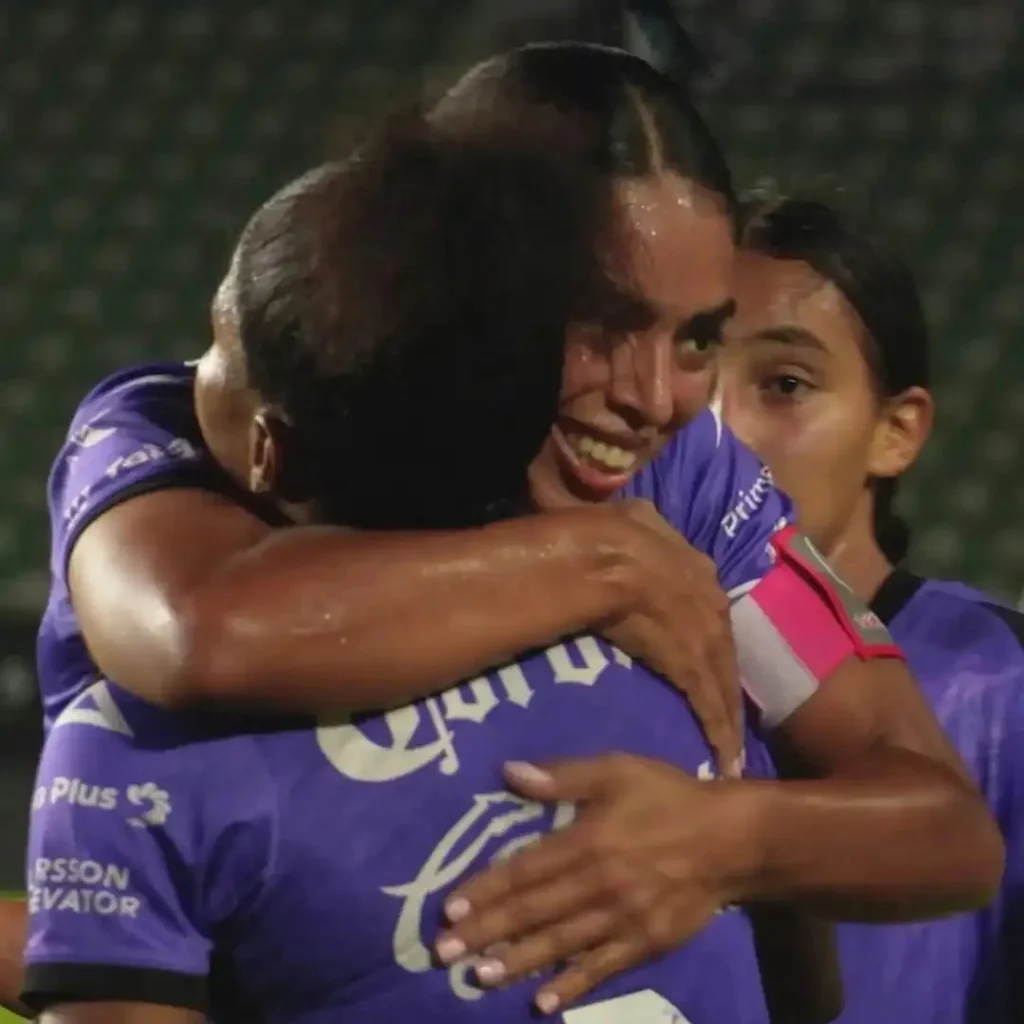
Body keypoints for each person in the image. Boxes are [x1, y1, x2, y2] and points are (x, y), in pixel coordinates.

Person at [18, 44, 1000, 1015]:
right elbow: (205, 634)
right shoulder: (167, 435)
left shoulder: (687, 471)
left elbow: (943, 828)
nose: (655, 399)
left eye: (697, 335)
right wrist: (599, 560)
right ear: (474, 277)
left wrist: (722, 839)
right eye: (603, 323)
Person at [717, 194, 1024, 1023]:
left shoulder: (997, 677)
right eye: (696, 368)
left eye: (784, 384)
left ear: (897, 430)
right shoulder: (601, 668)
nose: (722, 426)